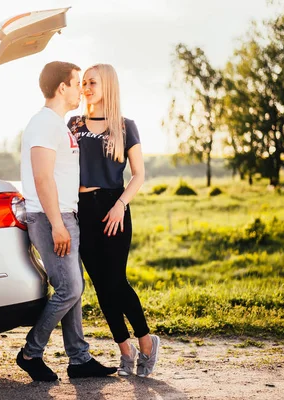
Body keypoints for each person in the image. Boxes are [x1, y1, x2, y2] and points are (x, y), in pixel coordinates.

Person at [17, 61, 117, 382]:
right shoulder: (45, 123)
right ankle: (31, 352)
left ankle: (79, 359)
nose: (81, 90)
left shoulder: (58, 124)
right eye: (76, 84)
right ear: (62, 87)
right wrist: (58, 224)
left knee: (72, 287)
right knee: (70, 288)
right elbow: (43, 177)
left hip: (62, 215)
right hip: (51, 217)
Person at [68, 64, 160, 378]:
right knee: (100, 286)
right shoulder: (74, 123)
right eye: (82, 83)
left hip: (113, 207)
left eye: (92, 82)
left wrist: (121, 204)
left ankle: (146, 343)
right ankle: (125, 350)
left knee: (115, 282)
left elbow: (139, 174)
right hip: (81, 209)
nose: (85, 87)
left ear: (107, 85)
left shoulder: (125, 126)